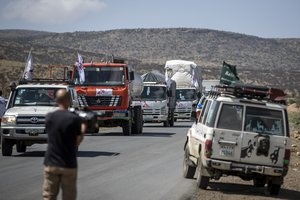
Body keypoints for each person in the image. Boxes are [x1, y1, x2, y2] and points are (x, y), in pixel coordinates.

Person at [43, 89, 86, 200]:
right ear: (69, 101)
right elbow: (77, 141)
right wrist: (83, 128)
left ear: (56, 100)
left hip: (51, 164)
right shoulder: (74, 119)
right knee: (69, 197)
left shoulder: (49, 117)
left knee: (49, 196)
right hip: (68, 164)